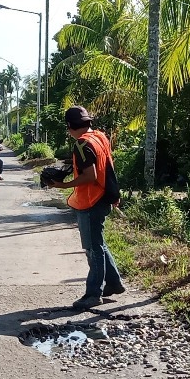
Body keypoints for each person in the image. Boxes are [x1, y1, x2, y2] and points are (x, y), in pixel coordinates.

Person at [46, 106, 124, 309]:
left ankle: (92, 294)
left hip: (91, 200)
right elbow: (105, 167)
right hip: (104, 195)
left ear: (70, 126)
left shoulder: (81, 145)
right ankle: (114, 283)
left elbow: (91, 175)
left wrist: (63, 185)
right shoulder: (99, 137)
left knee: (93, 248)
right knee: (99, 243)